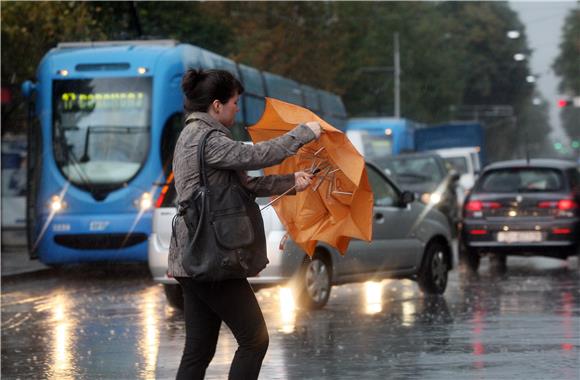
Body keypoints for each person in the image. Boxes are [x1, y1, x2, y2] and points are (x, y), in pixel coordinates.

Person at [168, 68, 321, 380]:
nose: (237, 109)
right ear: (216, 105)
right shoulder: (207, 139)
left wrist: (292, 180)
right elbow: (256, 156)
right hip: (212, 256)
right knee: (254, 339)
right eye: (234, 103)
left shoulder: (194, 137)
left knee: (198, 350)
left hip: (193, 257)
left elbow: (247, 186)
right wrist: (304, 133)